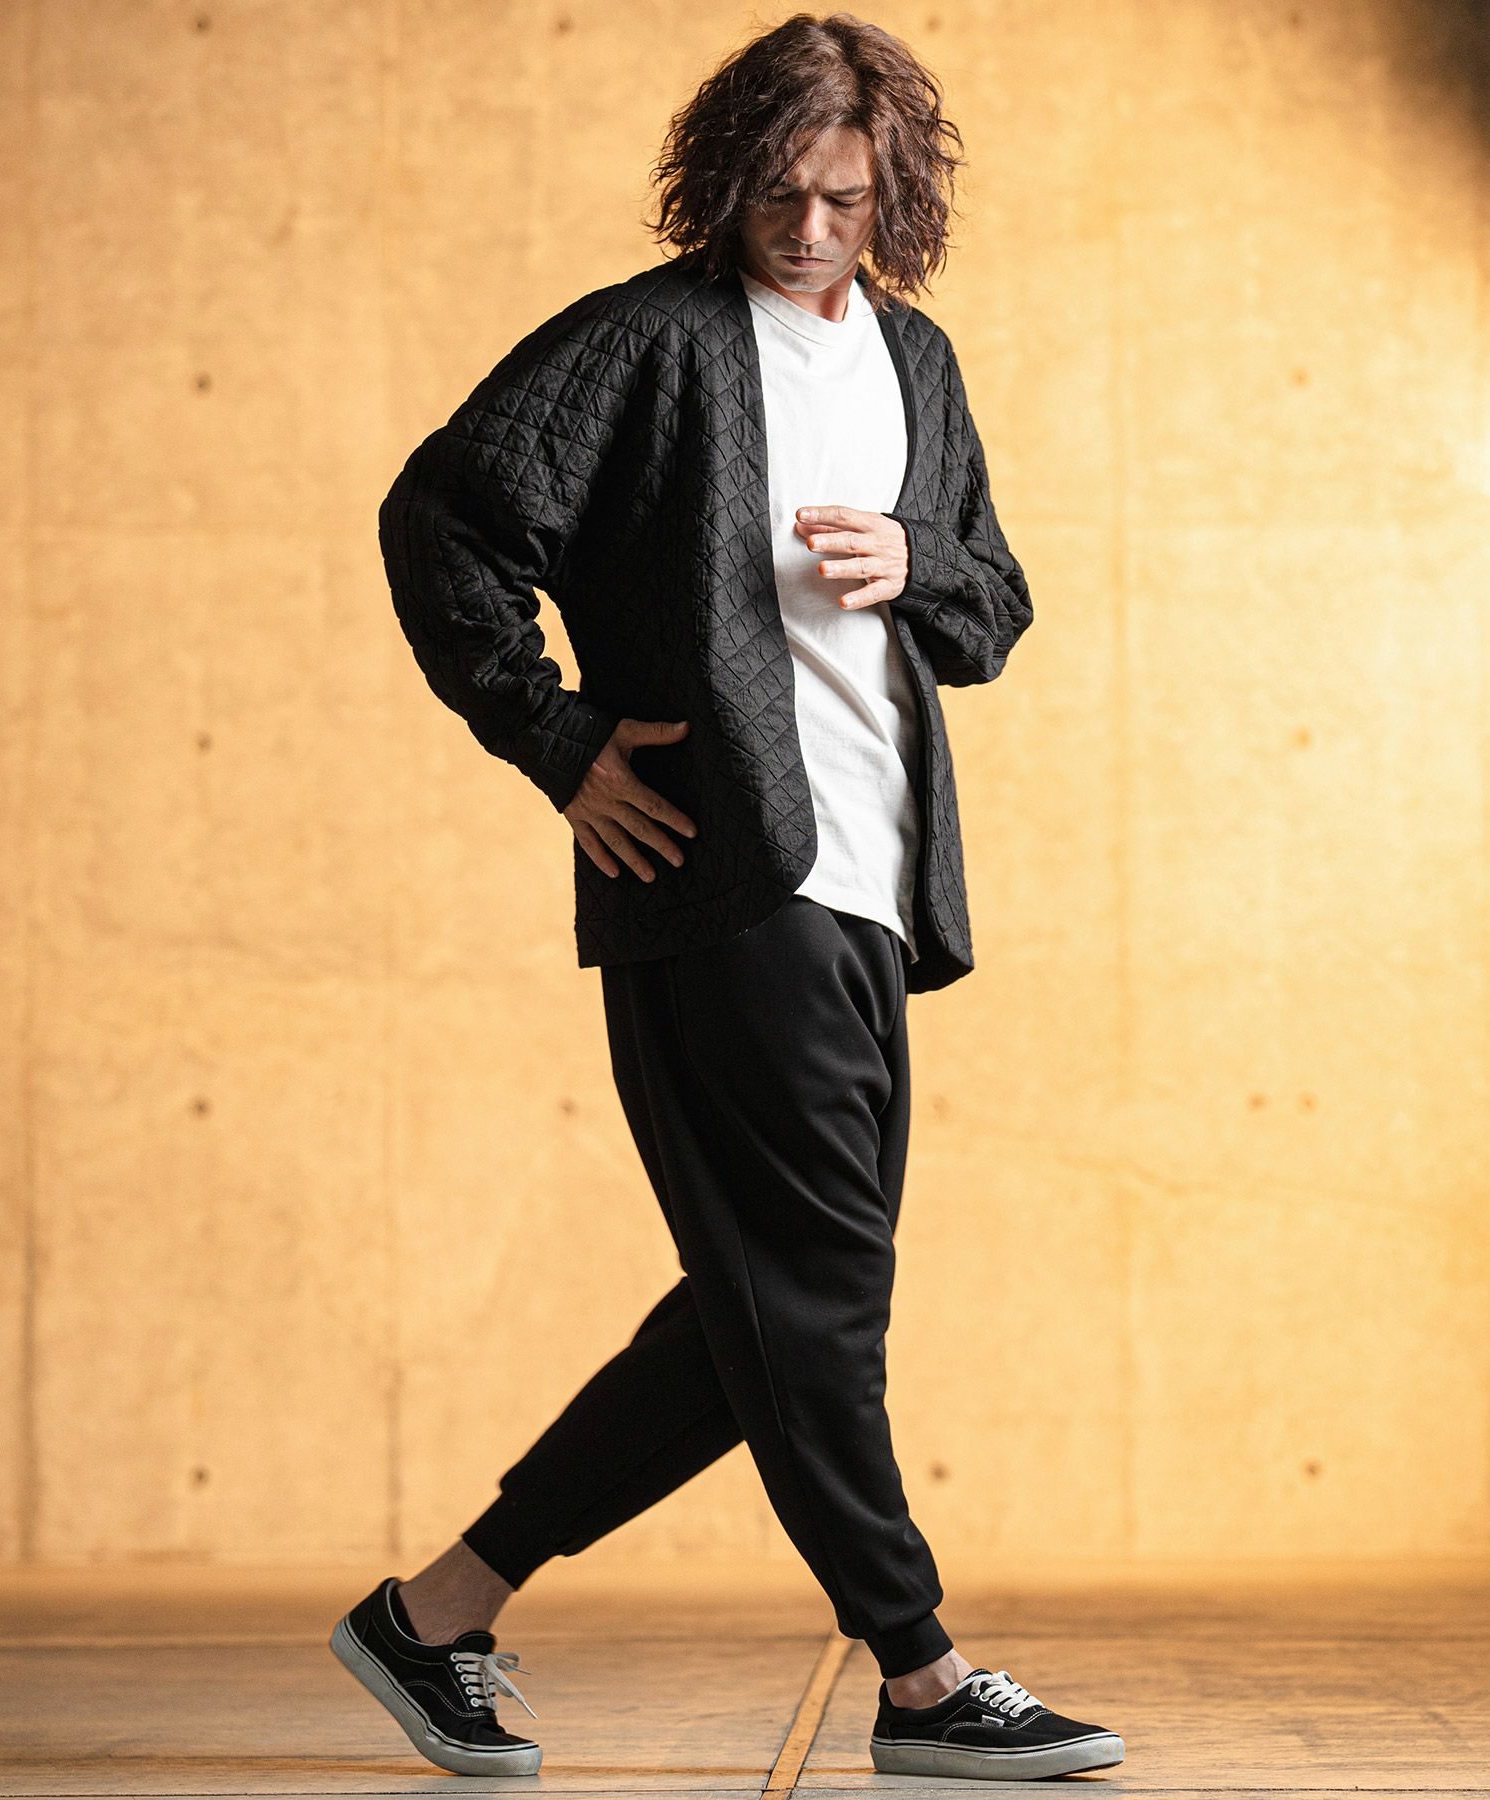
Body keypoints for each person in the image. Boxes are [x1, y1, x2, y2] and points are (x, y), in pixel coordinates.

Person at [329, 11, 1124, 1785]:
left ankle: (433, 1614)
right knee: (812, 1297)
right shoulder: (647, 341)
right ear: (727, 180)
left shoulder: (914, 361)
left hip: (875, 889)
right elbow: (444, 518)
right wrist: (558, 741)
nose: (811, 229)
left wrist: (918, 558)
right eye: (781, 194)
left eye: (846, 199)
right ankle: (921, 1677)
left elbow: (992, 607)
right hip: (721, 873)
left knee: (776, 1299)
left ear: (892, 193)